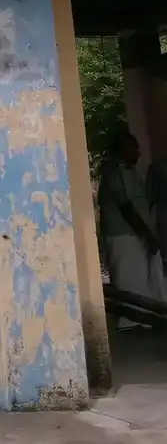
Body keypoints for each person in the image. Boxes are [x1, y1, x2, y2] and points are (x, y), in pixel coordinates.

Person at [98, 131, 167, 328]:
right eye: (133, 148)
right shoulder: (114, 173)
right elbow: (126, 207)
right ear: (121, 149)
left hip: (136, 235)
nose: (137, 153)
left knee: (141, 280)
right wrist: (147, 235)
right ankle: (130, 322)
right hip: (122, 234)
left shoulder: (129, 172)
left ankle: (143, 320)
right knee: (128, 279)